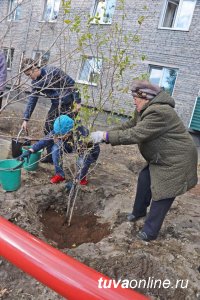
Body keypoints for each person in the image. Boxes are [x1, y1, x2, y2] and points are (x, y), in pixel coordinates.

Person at [90, 80, 198, 241]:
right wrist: (105, 133)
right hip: (161, 158)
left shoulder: (160, 112)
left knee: (163, 193)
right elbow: (130, 126)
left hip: (176, 160)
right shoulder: (143, 110)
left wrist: (106, 137)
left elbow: (136, 134)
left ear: (146, 97)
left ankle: (150, 232)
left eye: (136, 98)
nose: (134, 100)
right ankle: (138, 212)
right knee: (144, 179)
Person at [21, 58, 81, 163]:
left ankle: (66, 153)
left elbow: (72, 84)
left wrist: (78, 101)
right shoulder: (36, 83)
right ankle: (50, 156)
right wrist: (26, 119)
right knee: (48, 127)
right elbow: (32, 100)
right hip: (56, 104)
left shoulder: (53, 71)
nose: (29, 77)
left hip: (69, 103)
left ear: (34, 68)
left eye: (28, 74)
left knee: (68, 130)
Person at [18, 115, 100, 185]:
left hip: (88, 152)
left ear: (70, 131)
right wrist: (30, 150)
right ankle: (60, 175)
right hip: (70, 144)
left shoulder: (83, 136)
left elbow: (88, 157)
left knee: (81, 161)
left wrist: (77, 180)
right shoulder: (61, 127)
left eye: (61, 135)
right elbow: (45, 140)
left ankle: (81, 180)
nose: (58, 136)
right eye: (58, 134)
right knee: (56, 148)